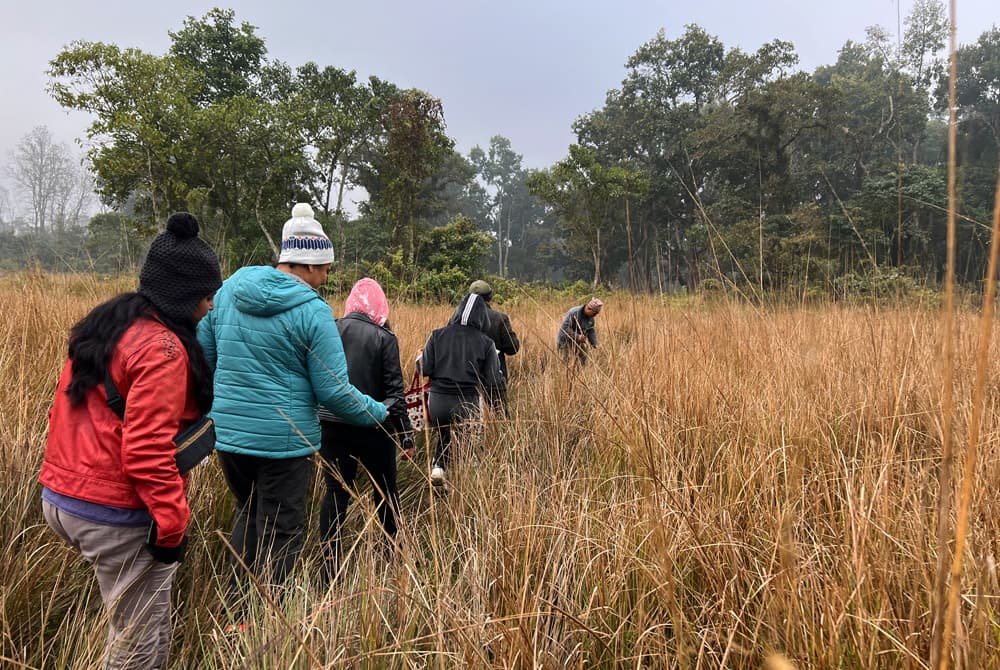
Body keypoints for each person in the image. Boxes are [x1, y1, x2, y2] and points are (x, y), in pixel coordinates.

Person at [39, 212, 222, 669]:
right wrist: (172, 524)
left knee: (137, 624)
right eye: (207, 295)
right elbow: (144, 452)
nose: (212, 306)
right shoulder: (162, 349)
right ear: (183, 296)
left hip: (63, 497)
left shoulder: (104, 327)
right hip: (114, 511)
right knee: (138, 646)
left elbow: (62, 411)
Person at [196, 203, 387, 604]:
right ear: (313, 265)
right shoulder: (313, 311)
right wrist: (378, 411)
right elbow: (333, 391)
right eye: (327, 269)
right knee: (282, 529)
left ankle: (235, 610)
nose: (327, 277)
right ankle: (266, 619)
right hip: (285, 443)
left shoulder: (227, 292)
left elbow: (204, 357)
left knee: (248, 511)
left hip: (229, 438)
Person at [319, 278, 414, 577]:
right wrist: (406, 436)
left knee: (335, 493)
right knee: (385, 492)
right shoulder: (385, 338)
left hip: (331, 426)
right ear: (380, 306)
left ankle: (329, 566)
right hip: (375, 429)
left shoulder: (330, 329)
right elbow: (395, 396)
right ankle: (390, 558)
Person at [419, 292, 505, 486]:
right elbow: (493, 380)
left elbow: (424, 368)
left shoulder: (437, 335)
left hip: (438, 403)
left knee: (444, 433)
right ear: (482, 317)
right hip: (468, 402)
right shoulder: (486, 342)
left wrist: (420, 358)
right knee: (467, 441)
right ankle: (466, 484)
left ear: (457, 312)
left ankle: (438, 467)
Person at [469, 279, 520, 412]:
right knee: (498, 418)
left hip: (466, 377)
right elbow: (513, 348)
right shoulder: (499, 318)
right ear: (490, 297)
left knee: (470, 418)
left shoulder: (457, 319)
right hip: (495, 377)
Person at [556, 297, 604, 366]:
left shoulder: (591, 318)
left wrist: (595, 344)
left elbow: (591, 331)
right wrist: (577, 336)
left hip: (577, 341)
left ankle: (579, 373)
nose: (595, 315)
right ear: (588, 308)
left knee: (583, 357)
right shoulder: (573, 312)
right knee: (565, 360)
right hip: (564, 340)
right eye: (594, 313)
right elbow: (565, 328)